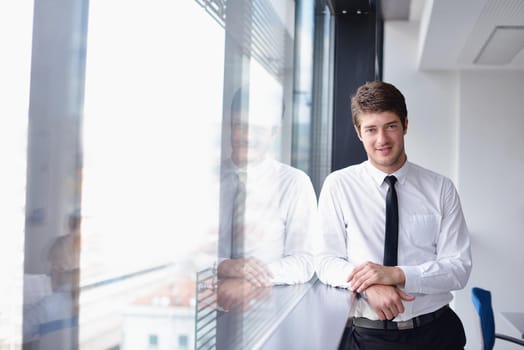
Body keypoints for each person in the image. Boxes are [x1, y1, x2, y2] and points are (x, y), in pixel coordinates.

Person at [316, 81, 472, 349]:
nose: (382, 139)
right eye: (371, 129)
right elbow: (325, 261)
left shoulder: (440, 188)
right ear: (358, 132)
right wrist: (368, 285)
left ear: (406, 125)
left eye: (390, 126)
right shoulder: (338, 185)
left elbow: (458, 268)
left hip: (436, 334)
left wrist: (398, 275)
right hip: (368, 338)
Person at [216, 87, 317, 287]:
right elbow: (183, 257)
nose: (247, 137)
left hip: (267, 303)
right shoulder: (208, 178)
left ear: (275, 132)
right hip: (202, 300)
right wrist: (224, 266)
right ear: (230, 125)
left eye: (259, 129)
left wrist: (251, 274)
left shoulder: (294, 183)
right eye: (240, 126)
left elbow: (305, 261)